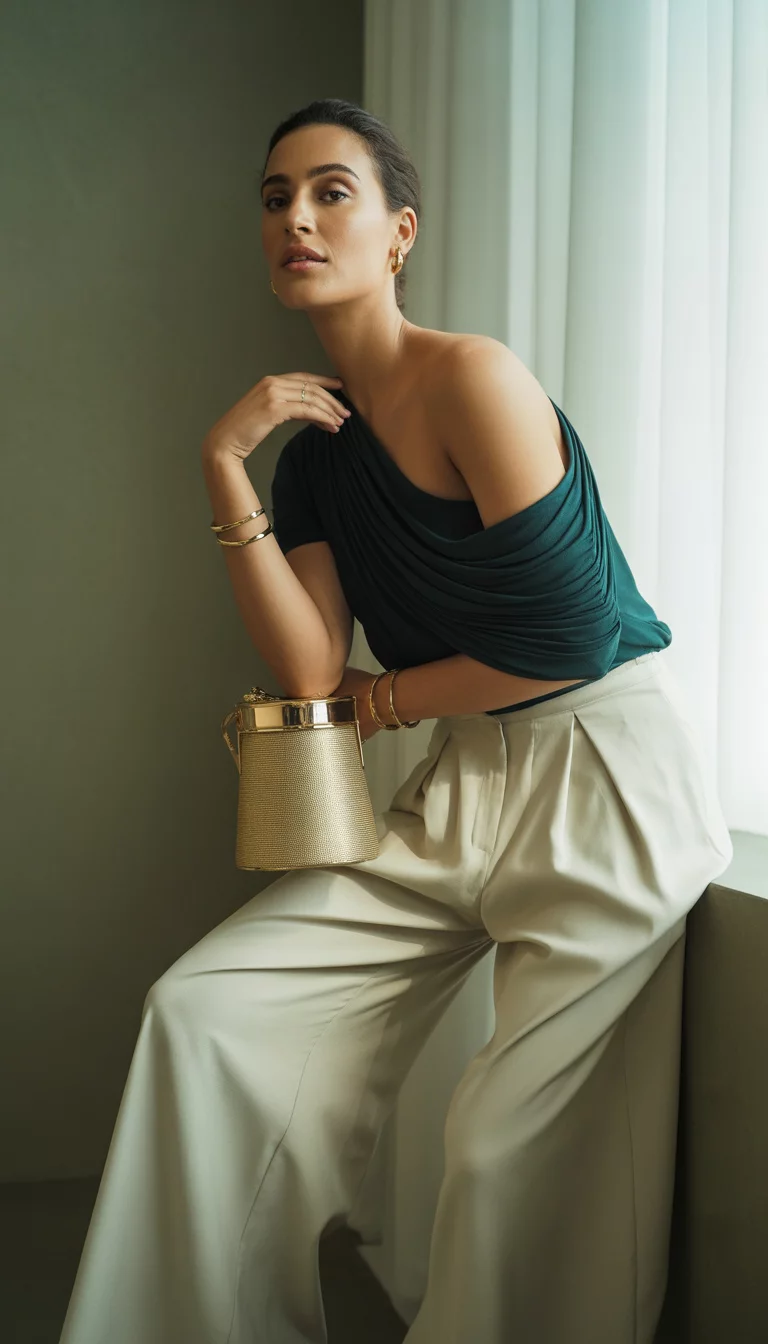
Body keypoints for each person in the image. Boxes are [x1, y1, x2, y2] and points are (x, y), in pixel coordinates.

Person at [59, 98, 733, 1344]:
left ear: (398, 232)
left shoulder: (472, 374)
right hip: (460, 785)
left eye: (330, 192)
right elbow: (312, 665)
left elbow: (568, 640)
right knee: (205, 1012)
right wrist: (227, 470)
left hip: (605, 780)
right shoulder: (311, 452)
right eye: (276, 199)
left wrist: (377, 703)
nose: (297, 219)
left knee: (497, 1154)